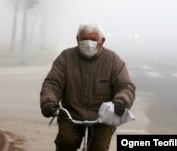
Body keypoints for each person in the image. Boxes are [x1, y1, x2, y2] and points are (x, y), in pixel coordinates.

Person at [39, 22, 136, 151]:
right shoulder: (66, 58)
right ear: (77, 39)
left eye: (93, 39)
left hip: (103, 120)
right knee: (65, 142)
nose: (88, 42)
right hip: (71, 116)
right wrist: (49, 102)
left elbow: (125, 86)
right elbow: (52, 83)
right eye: (84, 39)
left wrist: (121, 101)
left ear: (102, 41)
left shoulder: (112, 60)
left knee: (99, 148)